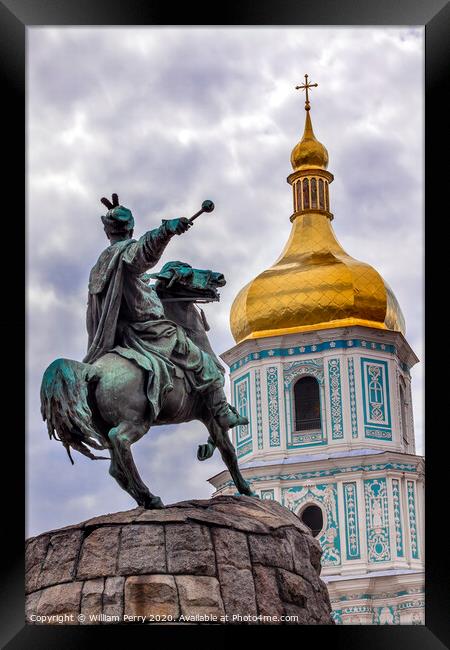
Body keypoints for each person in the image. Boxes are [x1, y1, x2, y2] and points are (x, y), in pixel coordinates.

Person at [83, 193, 247, 431]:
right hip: (148, 331)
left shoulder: (102, 264)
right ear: (130, 230)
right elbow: (143, 252)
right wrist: (167, 229)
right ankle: (222, 413)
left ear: (108, 232)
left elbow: (133, 286)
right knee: (204, 363)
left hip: (118, 333)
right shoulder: (124, 253)